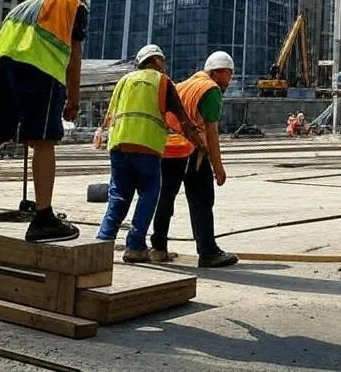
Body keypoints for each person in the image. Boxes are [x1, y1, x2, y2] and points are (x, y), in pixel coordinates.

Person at [0, 0, 91, 242]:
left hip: (0, 67)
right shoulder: (74, 5)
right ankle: (43, 218)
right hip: (39, 68)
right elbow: (75, 56)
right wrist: (73, 98)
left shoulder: (25, 6)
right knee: (43, 141)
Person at [93, 44, 205, 263]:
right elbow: (183, 121)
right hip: (145, 148)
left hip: (119, 146)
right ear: (156, 61)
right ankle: (135, 246)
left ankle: (103, 242)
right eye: (162, 61)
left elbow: (109, 115)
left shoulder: (124, 81)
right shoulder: (162, 82)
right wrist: (200, 144)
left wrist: (100, 134)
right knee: (148, 194)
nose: (164, 65)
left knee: (118, 195)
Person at [149, 51, 239, 268]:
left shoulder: (184, 84)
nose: (230, 81)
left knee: (165, 198)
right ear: (220, 72)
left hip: (166, 148)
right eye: (230, 75)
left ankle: (158, 248)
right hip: (190, 150)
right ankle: (207, 251)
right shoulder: (210, 89)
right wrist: (218, 167)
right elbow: (211, 133)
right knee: (201, 199)